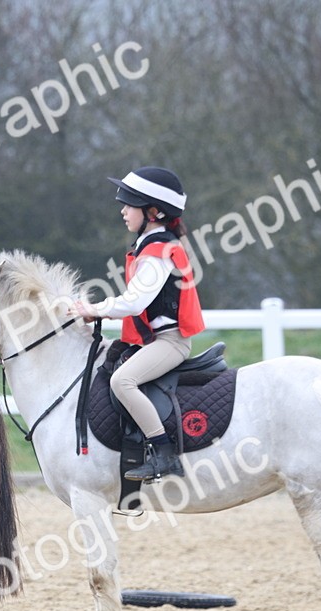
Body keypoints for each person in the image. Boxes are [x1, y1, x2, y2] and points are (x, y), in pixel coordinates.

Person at [69, 166, 205, 480]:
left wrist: (95, 309)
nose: (123, 211)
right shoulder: (150, 244)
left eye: (129, 204)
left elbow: (135, 302)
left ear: (153, 212)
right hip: (156, 340)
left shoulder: (157, 251)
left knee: (122, 381)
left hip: (170, 342)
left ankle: (164, 452)